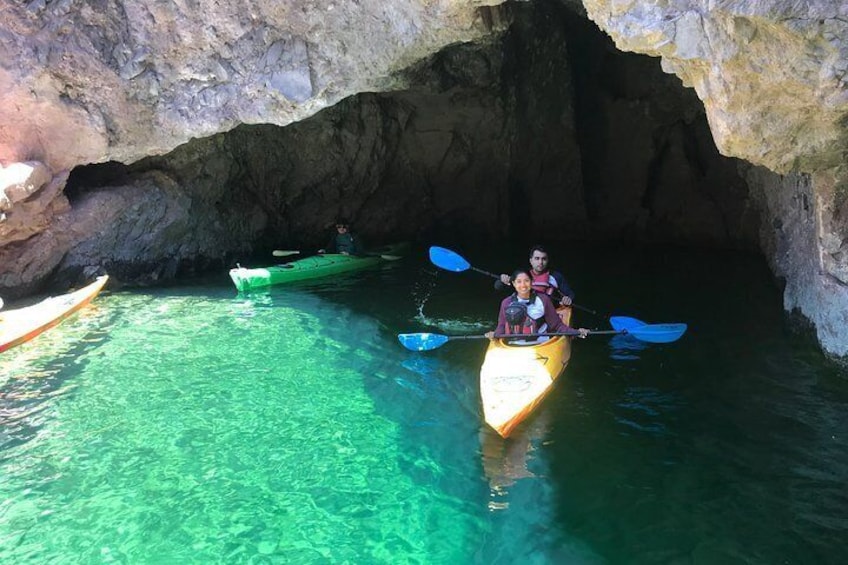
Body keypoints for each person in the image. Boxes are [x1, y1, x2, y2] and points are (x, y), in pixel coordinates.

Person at [485, 268, 589, 342]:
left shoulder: (543, 300)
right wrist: (494, 335)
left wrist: (577, 332)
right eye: (519, 282)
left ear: (531, 282)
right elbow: (501, 326)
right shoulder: (506, 303)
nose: (523, 285)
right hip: (514, 345)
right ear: (514, 284)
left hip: (541, 343)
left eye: (526, 281)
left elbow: (557, 326)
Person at [499, 244, 575, 306]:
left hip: (548, 312)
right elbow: (498, 286)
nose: (540, 262)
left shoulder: (556, 276)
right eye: (537, 258)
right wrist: (502, 280)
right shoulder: (522, 275)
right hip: (524, 310)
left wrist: (568, 299)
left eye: (544, 259)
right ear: (531, 261)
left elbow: (570, 294)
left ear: (547, 261)